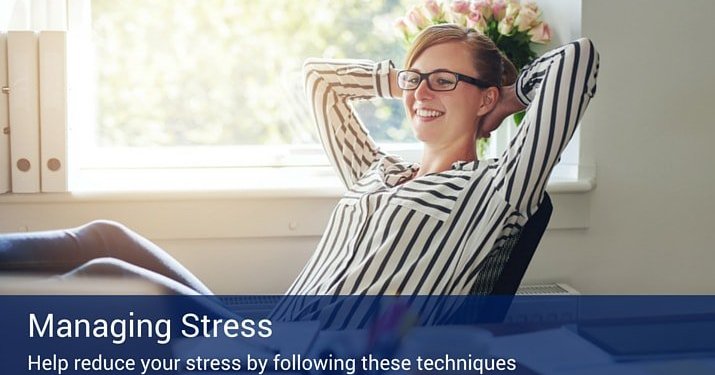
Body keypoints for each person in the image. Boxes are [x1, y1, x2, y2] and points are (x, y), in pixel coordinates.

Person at [0, 25, 599, 304]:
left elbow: (579, 62)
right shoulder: (376, 172)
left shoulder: (496, 190)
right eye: (417, 80)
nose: (422, 94)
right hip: (264, 344)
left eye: (445, 82)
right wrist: (401, 79)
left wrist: (507, 96)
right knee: (107, 237)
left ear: (484, 97)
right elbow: (314, 80)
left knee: (105, 272)